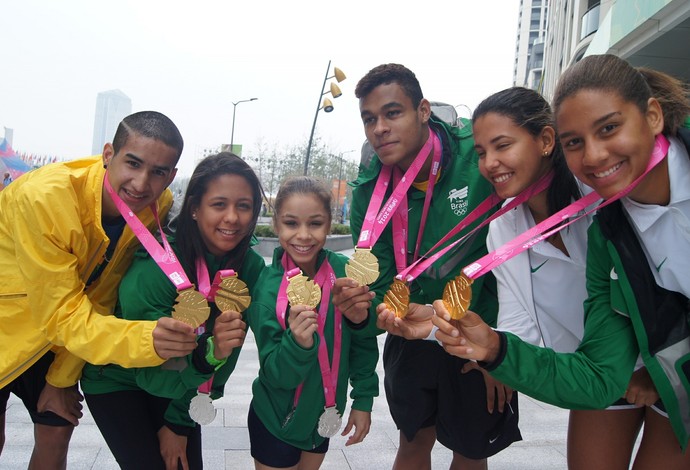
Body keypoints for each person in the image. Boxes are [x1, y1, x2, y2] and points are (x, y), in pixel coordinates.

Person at [432, 54, 690, 463]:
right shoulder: (610, 219)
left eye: (609, 128)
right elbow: (530, 333)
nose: (595, 155)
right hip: (611, 371)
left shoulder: (598, 203)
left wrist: (663, 371)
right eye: (481, 152)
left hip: (670, 371)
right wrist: (481, 344)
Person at [334, 63, 521, 470]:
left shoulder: (478, 153)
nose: (379, 127)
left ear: (422, 110)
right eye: (369, 119)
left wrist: (504, 354)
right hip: (412, 331)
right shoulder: (368, 190)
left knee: (471, 451)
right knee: (413, 442)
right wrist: (367, 309)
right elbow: (379, 281)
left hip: (479, 329)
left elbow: (518, 256)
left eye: (392, 112)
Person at [0, 111, 199, 469]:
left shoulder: (157, 204)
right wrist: (146, 341)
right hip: (8, 324)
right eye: (133, 164)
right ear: (109, 154)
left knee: (56, 433)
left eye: (158, 172)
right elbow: (64, 312)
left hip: (62, 332)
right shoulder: (45, 198)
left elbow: (102, 292)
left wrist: (62, 378)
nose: (141, 183)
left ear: (171, 176)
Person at [81, 152, 267, 469]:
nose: (232, 218)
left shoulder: (248, 266)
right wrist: (210, 353)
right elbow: (154, 372)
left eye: (244, 206)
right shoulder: (155, 268)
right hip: (119, 376)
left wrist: (180, 421)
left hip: (187, 375)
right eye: (219, 204)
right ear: (194, 208)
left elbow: (227, 352)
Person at [246, 176, 379, 470]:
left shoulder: (345, 275)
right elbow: (275, 375)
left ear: (329, 224)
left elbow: (363, 340)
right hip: (275, 422)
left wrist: (364, 398)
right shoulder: (267, 290)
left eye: (315, 223)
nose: (303, 235)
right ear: (276, 225)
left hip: (322, 416)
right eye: (291, 224)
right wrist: (298, 343)